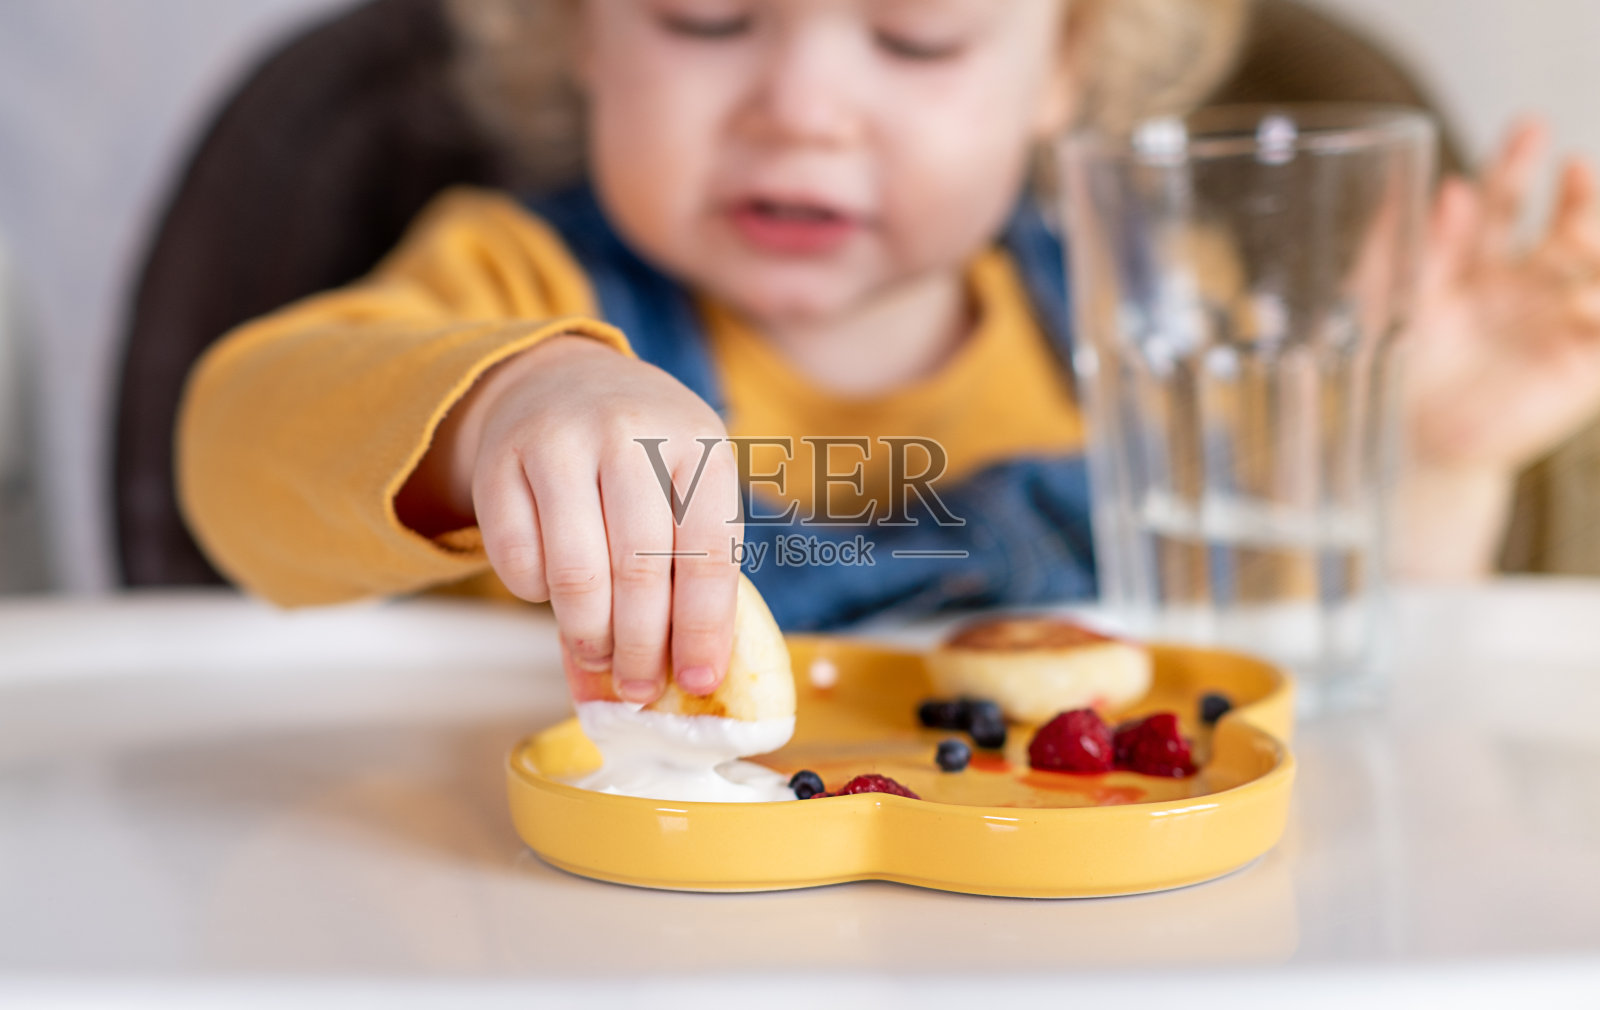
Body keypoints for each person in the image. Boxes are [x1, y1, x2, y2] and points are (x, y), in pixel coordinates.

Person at [177, 0, 1600, 708]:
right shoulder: (513, 278)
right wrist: (506, 403)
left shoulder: (1150, 310)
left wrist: (1426, 459)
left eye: (917, 38)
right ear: (577, 35)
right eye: (706, 16)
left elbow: (1283, 687)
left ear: (1067, 65)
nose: (803, 107)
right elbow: (233, 453)